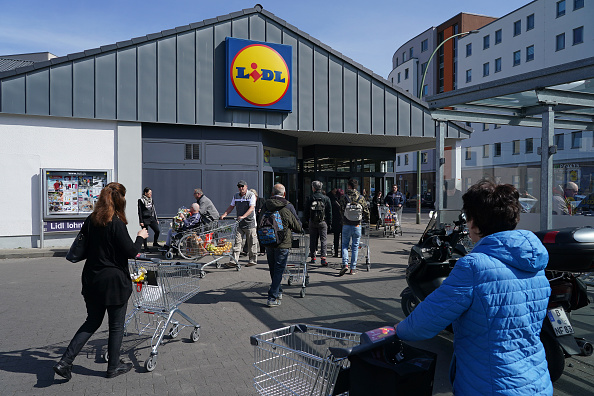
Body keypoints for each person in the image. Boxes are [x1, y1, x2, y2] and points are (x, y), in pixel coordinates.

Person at [395, 180, 552, 395]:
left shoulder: (474, 266)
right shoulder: (535, 263)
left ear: (475, 224)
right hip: (537, 381)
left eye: (468, 219)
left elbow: (426, 321)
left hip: (491, 384)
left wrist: (396, 331)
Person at [53, 182, 149, 381]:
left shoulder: (92, 220)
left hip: (92, 279)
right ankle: (113, 367)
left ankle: (65, 362)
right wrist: (140, 237)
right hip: (114, 282)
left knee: (92, 321)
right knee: (116, 326)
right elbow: (132, 251)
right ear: (120, 200)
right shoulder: (116, 223)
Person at [262, 183, 302, 307]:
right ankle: (272, 297)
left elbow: (260, 221)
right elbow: (298, 226)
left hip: (268, 240)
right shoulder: (288, 206)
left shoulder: (266, 205)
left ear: (272, 194)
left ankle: (278, 290)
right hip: (283, 243)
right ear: (284, 194)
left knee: (273, 268)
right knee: (279, 269)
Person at [220, 180, 258, 267]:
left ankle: (252, 260)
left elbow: (251, 208)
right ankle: (233, 261)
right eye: (239, 186)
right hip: (240, 224)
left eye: (242, 186)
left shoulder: (251, 195)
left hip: (250, 223)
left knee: (252, 242)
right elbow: (231, 206)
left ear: (246, 186)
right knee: (237, 242)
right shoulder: (236, 196)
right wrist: (224, 214)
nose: (241, 188)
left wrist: (243, 216)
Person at [338, 179, 369, 275]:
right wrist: (367, 220)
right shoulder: (361, 198)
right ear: (356, 186)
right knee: (355, 247)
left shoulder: (344, 197)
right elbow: (366, 211)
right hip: (357, 225)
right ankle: (353, 268)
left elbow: (341, 210)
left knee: (344, 245)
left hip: (346, 224)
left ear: (349, 186)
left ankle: (345, 264)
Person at [303, 181, 332, 266]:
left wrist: (306, 221)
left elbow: (306, 211)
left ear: (313, 188)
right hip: (323, 222)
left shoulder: (310, 198)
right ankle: (323, 258)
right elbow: (329, 212)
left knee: (312, 239)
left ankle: (313, 257)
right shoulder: (326, 198)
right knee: (323, 239)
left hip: (312, 222)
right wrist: (329, 222)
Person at [138, 187, 161, 251]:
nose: (150, 194)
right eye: (149, 193)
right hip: (145, 218)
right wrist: (141, 221)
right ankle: (145, 247)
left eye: (151, 193)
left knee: (157, 230)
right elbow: (139, 211)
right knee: (145, 232)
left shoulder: (151, 200)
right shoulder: (141, 200)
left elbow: (154, 210)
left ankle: (155, 242)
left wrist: (156, 219)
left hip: (151, 217)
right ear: (145, 193)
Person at [244, 189, 266, 255]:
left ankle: (262, 251)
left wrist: (261, 210)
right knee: (249, 234)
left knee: (260, 235)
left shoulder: (262, 200)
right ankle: (245, 250)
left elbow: (266, 208)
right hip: (252, 220)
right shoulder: (248, 201)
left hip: (260, 220)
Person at [331, 189, 344, 258]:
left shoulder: (334, 203)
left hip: (336, 222)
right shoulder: (344, 202)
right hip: (343, 222)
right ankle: (342, 253)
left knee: (336, 238)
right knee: (343, 238)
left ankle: (336, 253)